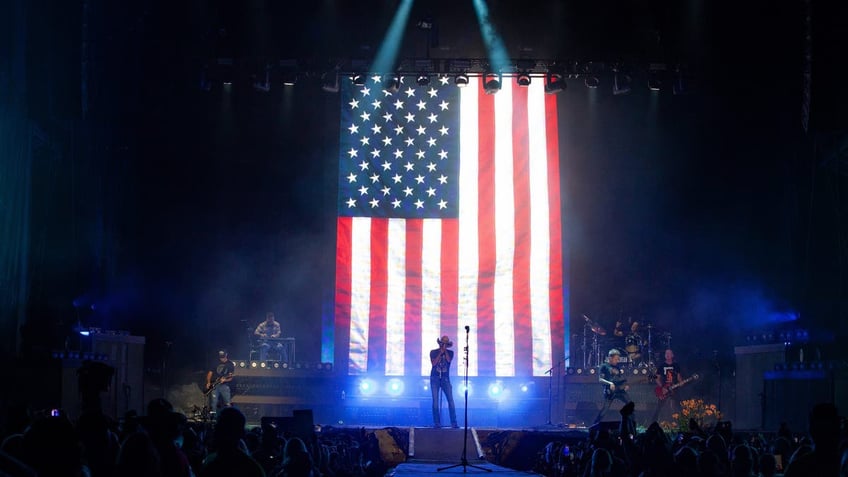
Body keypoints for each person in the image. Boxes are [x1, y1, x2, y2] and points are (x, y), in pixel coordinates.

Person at [595, 348, 631, 424]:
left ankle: (628, 423)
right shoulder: (604, 366)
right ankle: (595, 424)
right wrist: (610, 383)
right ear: (610, 358)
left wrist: (625, 385)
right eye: (616, 359)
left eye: (618, 359)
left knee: (630, 404)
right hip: (609, 391)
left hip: (619, 390)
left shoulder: (617, 367)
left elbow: (620, 379)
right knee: (605, 409)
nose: (617, 361)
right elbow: (600, 379)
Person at [430, 335, 459, 428]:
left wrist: (444, 351)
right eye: (443, 343)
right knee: (435, 401)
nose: (444, 345)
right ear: (440, 343)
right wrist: (440, 353)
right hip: (435, 378)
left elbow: (448, 360)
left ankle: (454, 423)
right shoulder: (433, 352)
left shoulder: (450, 352)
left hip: (445, 379)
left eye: (446, 343)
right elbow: (434, 363)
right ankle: (437, 423)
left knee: (451, 400)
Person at [652, 348, 685, 424]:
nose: (667, 355)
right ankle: (653, 423)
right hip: (664, 389)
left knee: (679, 406)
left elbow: (679, 377)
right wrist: (662, 387)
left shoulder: (676, 365)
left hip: (674, 389)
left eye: (669, 353)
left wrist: (681, 382)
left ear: (672, 355)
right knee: (659, 407)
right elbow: (656, 378)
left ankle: (684, 423)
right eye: (666, 354)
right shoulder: (661, 365)